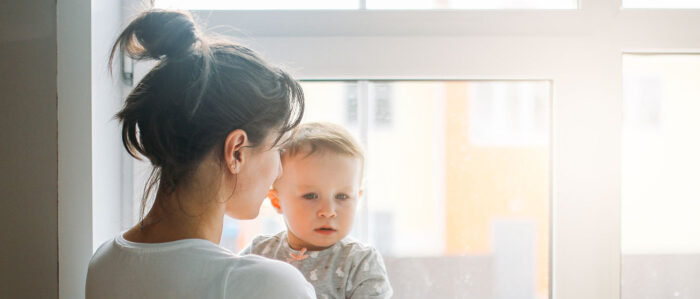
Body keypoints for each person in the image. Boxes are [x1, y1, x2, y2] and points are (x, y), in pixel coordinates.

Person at [86, 9, 315, 299]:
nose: (279, 170)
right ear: (236, 152)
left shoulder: (104, 262)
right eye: (278, 149)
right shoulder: (266, 285)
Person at [241, 122, 393, 299]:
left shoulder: (360, 262)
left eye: (342, 196)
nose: (328, 211)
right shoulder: (259, 253)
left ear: (357, 199)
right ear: (277, 201)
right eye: (311, 196)